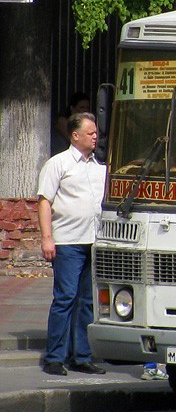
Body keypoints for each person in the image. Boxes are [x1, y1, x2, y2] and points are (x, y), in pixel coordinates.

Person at [38, 112, 107, 376]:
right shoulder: (59, 163)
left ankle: (82, 355)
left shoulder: (99, 165)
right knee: (65, 298)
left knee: (87, 301)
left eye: (96, 132)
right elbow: (45, 201)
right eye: (90, 133)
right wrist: (47, 238)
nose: (95, 136)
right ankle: (54, 356)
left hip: (94, 241)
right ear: (75, 135)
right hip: (68, 242)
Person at [51, 91, 91, 156]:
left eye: (87, 108)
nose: (85, 110)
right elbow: (74, 140)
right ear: (73, 109)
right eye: (82, 107)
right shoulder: (62, 121)